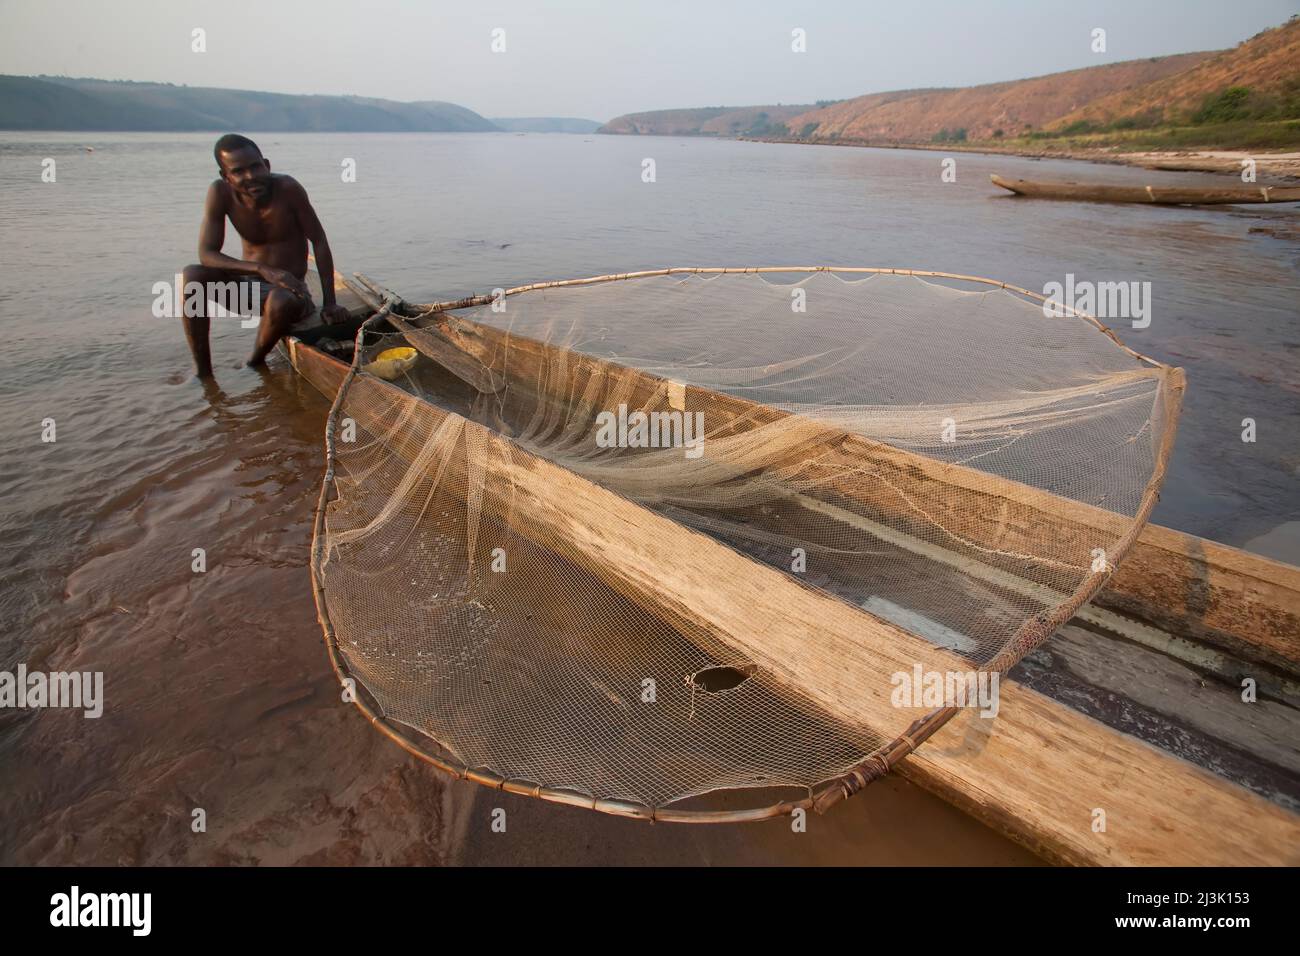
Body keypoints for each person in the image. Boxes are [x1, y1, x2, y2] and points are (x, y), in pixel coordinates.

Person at [179, 134, 349, 378]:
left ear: (266, 165)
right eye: (238, 171)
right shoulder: (220, 193)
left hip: (290, 293)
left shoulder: (288, 189)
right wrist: (261, 269)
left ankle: (254, 363)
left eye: (255, 167)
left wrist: (330, 302)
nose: (250, 177)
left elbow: (319, 241)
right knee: (192, 274)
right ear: (225, 176)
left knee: (280, 299)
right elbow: (207, 254)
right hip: (248, 288)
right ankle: (203, 373)